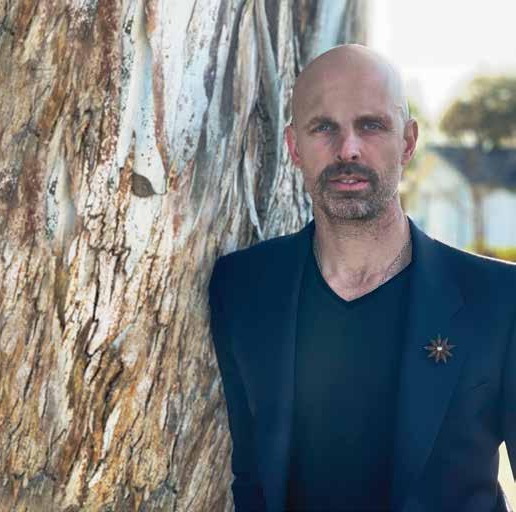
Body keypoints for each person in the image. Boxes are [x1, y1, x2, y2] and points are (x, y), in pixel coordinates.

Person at [208, 44, 516, 511]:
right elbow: (250, 478)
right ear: (294, 146)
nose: (347, 148)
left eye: (371, 125)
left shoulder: (499, 300)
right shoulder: (241, 288)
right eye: (323, 127)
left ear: (408, 142)